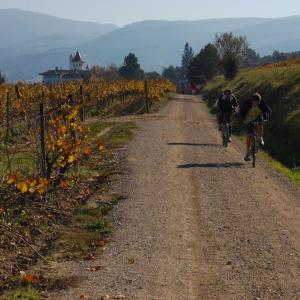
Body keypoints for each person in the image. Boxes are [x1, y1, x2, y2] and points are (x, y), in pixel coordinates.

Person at [239, 93, 272, 161]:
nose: (256, 104)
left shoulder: (263, 103)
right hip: (249, 119)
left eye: (257, 102)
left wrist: (265, 118)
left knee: (260, 124)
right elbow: (241, 111)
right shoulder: (247, 103)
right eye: (254, 102)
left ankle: (260, 137)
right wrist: (242, 119)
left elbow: (268, 111)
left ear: (259, 101)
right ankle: (247, 152)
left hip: (258, 118)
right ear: (252, 101)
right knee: (248, 136)